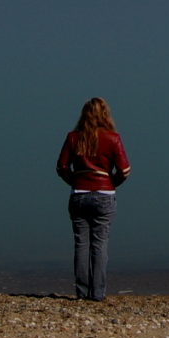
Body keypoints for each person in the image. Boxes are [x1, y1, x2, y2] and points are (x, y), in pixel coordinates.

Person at [56, 97, 131, 301]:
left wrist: (75, 180)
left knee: (81, 244)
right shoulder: (112, 138)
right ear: (106, 115)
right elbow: (124, 170)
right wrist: (111, 183)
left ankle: (81, 292)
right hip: (104, 194)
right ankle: (97, 293)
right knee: (99, 245)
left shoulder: (73, 138)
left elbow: (62, 167)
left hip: (79, 194)